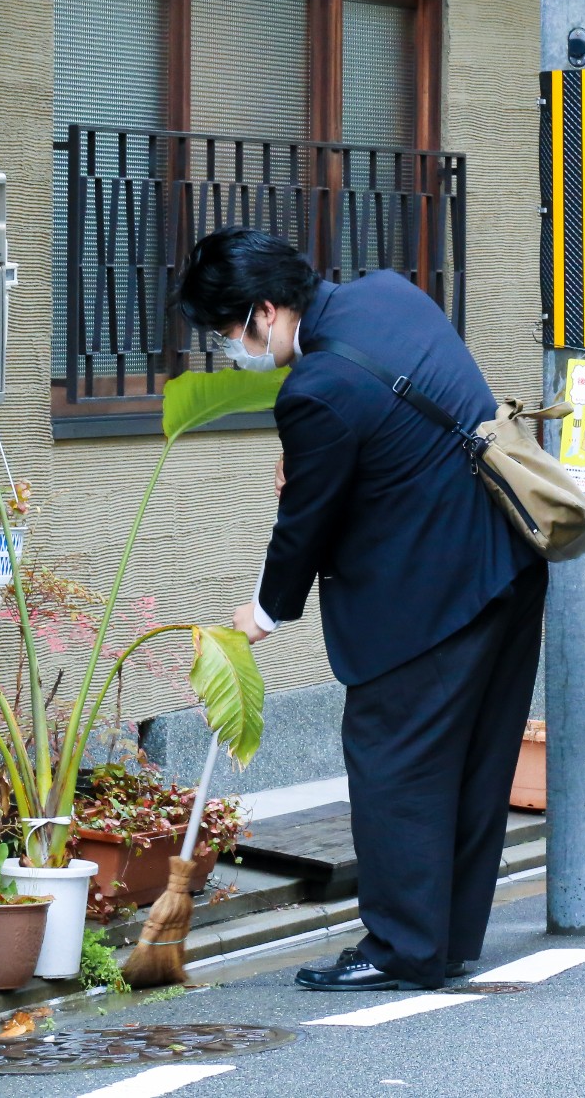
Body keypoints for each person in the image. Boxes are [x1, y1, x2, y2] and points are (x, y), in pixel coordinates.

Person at [175, 226, 545, 991]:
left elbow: (304, 522)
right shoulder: (388, 292)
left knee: (394, 768)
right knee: (476, 764)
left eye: (228, 332)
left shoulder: (314, 390)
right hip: (506, 562)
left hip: (427, 599)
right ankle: (444, 939)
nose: (230, 349)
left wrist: (265, 611)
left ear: (266, 310)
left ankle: (402, 948)